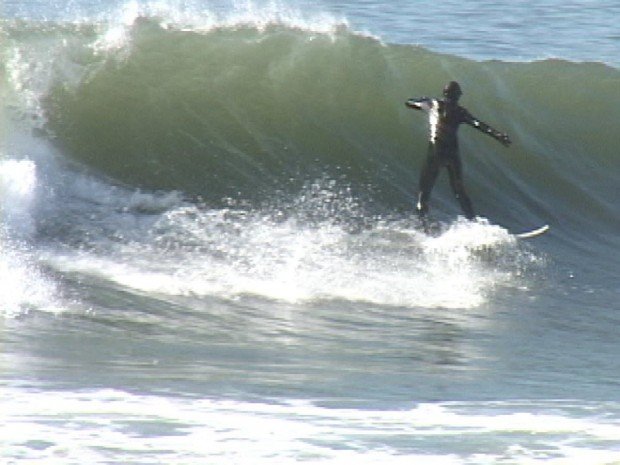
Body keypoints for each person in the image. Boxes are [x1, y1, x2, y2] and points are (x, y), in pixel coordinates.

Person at [405, 81, 511, 221]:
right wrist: (498, 135)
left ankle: (423, 228)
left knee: (424, 194)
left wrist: (421, 100)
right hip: (452, 155)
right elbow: (478, 124)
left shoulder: (432, 104)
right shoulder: (460, 111)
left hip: (436, 152)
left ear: (444, 94)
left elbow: (409, 103)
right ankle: (473, 225)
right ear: (457, 96)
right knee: (460, 192)